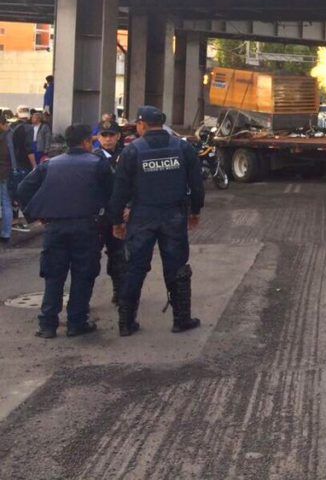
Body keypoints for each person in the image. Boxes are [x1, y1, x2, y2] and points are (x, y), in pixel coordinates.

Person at [108, 106, 204, 336]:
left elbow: (119, 191)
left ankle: (126, 323)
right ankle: (181, 319)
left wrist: (116, 221)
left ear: (142, 124)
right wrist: (195, 212)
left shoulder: (132, 151)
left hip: (142, 217)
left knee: (134, 269)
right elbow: (197, 183)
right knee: (177, 268)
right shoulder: (182, 147)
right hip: (174, 216)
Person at [16, 123, 112, 339]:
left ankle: (47, 325)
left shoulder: (50, 165)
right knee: (83, 275)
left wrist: (37, 214)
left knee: (54, 276)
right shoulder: (98, 164)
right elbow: (112, 194)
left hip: (55, 228)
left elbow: (23, 189)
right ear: (87, 141)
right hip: (86, 228)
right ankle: (76, 322)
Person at [94, 119, 126, 305]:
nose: (107, 139)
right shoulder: (92, 158)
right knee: (90, 258)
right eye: (104, 135)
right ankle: (83, 299)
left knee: (119, 257)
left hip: (118, 216)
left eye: (111, 135)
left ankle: (119, 292)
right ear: (98, 137)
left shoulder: (126, 157)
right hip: (98, 217)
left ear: (118, 136)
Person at [9, 107, 34, 231]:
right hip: (23, 164)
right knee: (23, 192)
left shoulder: (10, 127)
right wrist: (34, 165)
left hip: (10, 164)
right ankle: (20, 220)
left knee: (12, 193)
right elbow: (29, 148)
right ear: (28, 116)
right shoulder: (28, 128)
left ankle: (14, 219)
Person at [0, 116, 13, 244]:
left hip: (4, 173)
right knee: (6, 203)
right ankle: (6, 233)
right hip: (5, 173)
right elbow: (12, 156)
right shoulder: (8, 137)